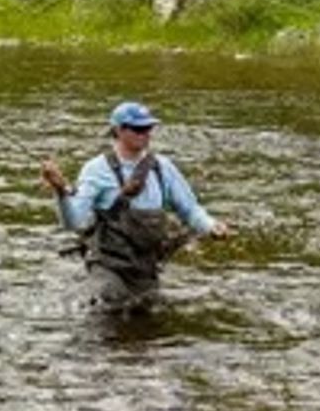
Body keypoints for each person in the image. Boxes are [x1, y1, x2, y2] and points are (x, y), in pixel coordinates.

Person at [38, 99, 228, 307]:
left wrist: (210, 226)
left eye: (148, 128)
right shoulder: (96, 170)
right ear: (118, 130)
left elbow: (190, 210)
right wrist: (60, 192)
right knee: (108, 303)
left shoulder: (163, 168)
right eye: (138, 129)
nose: (145, 133)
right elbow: (73, 222)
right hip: (107, 268)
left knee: (147, 317)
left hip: (146, 269)